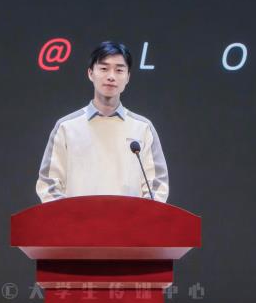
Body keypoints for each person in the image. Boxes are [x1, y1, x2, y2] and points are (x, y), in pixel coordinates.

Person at [35, 41, 169, 203]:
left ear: (128, 77)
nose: (111, 76)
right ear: (90, 73)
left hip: (130, 220)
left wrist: (138, 217)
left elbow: (157, 187)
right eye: (104, 68)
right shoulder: (66, 127)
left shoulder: (143, 128)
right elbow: (48, 185)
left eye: (119, 70)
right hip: (78, 219)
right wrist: (72, 217)